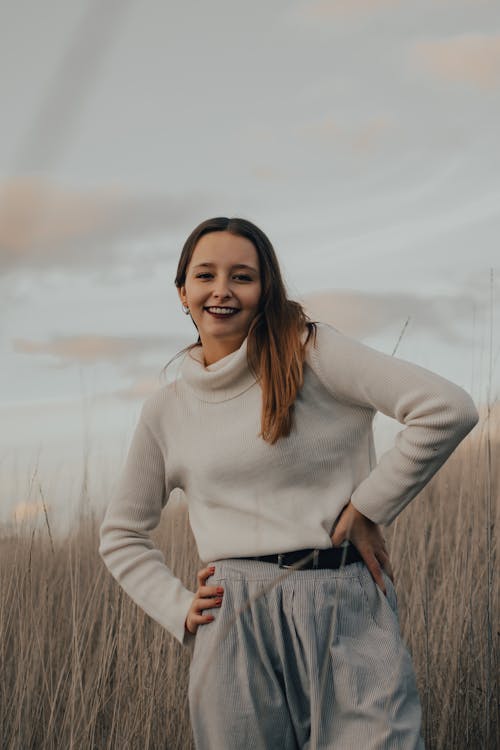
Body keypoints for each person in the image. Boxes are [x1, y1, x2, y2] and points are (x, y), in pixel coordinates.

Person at [98, 216, 479, 750]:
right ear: (183, 292)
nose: (222, 290)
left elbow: (447, 409)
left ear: (265, 289)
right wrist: (178, 607)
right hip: (234, 621)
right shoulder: (166, 410)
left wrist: (369, 507)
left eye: (242, 277)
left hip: (344, 603)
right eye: (205, 276)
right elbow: (120, 533)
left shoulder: (314, 352)